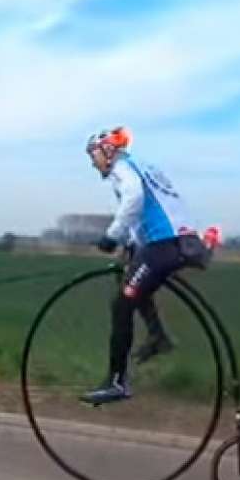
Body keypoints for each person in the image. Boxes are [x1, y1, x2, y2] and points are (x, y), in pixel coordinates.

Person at [81, 126, 208, 405]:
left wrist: (112, 235)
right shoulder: (143, 166)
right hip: (179, 241)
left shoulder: (122, 169)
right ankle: (157, 335)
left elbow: (134, 200)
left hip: (165, 244)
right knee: (131, 281)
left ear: (108, 150)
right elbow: (152, 210)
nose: (93, 163)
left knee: (122, 304)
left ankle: (117, 382)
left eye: (94, 156)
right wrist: (130, 243)